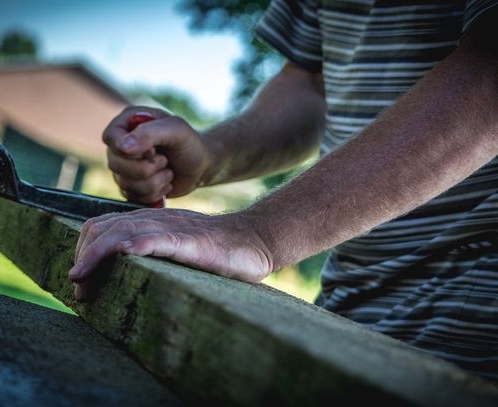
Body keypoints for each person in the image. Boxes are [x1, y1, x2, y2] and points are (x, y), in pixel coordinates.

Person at [69, 1, 498, 381]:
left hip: (472, 328)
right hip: (345, 306)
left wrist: (259, 233)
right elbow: (311, 85)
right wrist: (210, 156)